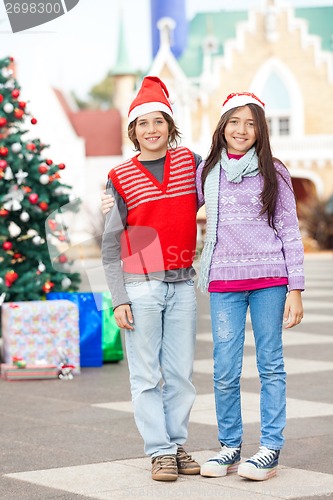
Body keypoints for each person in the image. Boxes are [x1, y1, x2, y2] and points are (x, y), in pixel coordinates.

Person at [197, 92, 304, 481]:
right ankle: (229, 447)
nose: (241, 130)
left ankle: (269, 450)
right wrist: (117, 204)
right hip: (224, 281)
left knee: (270, 365)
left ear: (260, 129)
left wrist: (296, 287)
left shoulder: (274, 170)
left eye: (250, 123)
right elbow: (175, 205)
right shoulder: (207, 171)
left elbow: (289, 229)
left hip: (270, 281)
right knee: (224, 368)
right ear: (222, 125)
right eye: (234, 121)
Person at [101, 76, 202, 482]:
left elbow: (226, 190)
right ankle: (159, 451)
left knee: (180, 373)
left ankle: (176, 444)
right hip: (140, 284)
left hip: (182, 282)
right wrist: (118, 297)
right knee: (145, 374)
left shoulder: (192, 163)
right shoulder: (120, 176)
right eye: (143, 124)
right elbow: (110, 244)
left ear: (170, 126)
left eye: (159, 121)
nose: (152, 129)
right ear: (133, 131)